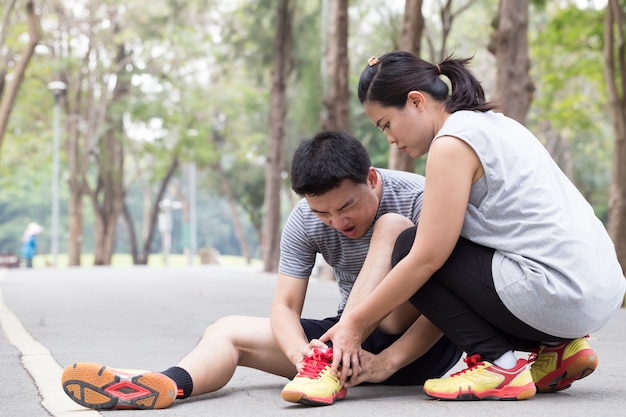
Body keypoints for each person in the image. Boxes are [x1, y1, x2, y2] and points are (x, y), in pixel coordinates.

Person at [61, 130, 462, 410]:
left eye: (346, 207)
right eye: (323, 212)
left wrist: (387, 362)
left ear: (372, 179)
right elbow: (284, 307)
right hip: (345, 349)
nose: (337, 222)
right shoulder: (305, 218)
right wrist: (302, 355)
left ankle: (335, 358)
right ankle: (166, 384)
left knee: (392, 227)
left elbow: (450, 301)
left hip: (415, 344)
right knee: (227, 330)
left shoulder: (420, 198)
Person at [319, 51, 626, 401]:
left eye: (386, 124)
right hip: (598, 292)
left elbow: (425, 260)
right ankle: (555, 349)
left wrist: (353, 325)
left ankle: (498, 364)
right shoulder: (495, 123)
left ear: (416, 101)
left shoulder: (451, 144)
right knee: (444, 248)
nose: (389, 138)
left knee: (410, 247)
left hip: (560, 294)